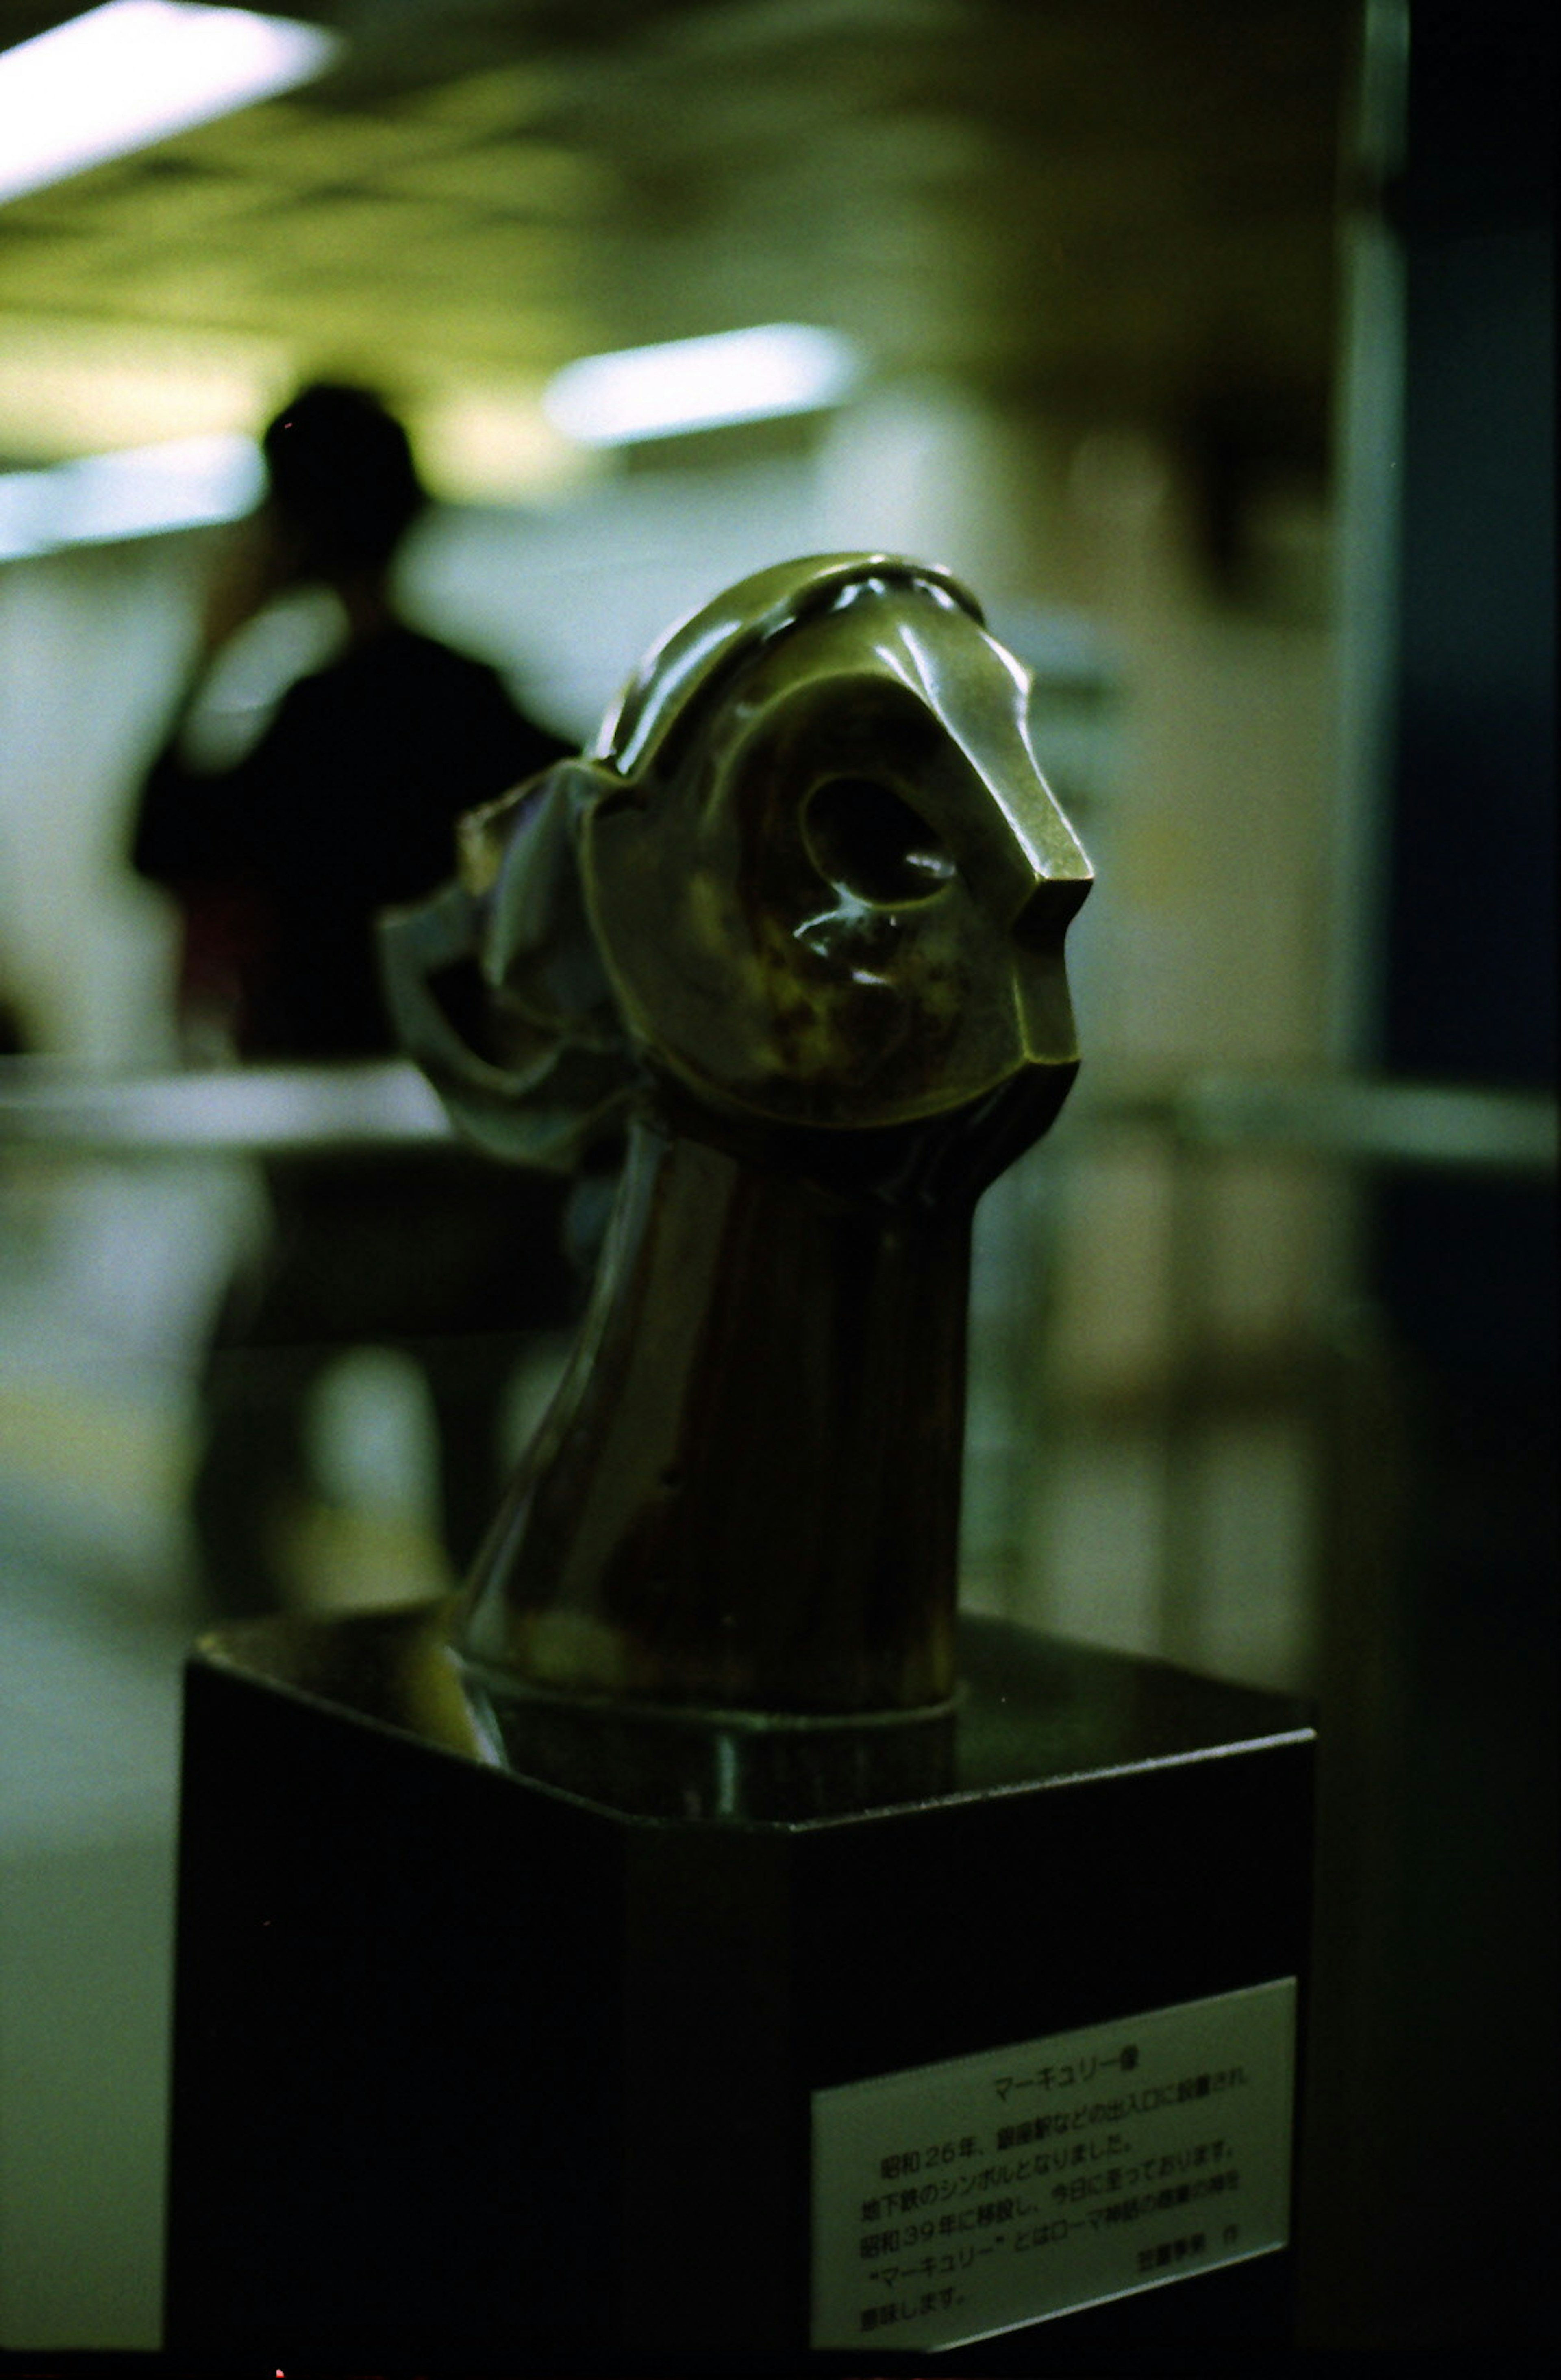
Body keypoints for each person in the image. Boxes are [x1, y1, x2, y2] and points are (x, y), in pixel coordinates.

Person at [131, 382, 580, 1615]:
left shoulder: (311, 719)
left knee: (234, 1482)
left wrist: (206, 651)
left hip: (338, 1184)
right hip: (479, 1165)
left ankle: (299, 1744)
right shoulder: (490, 705)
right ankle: (485, 1754)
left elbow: (158, 843)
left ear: (287, 534)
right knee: (472, 1490)